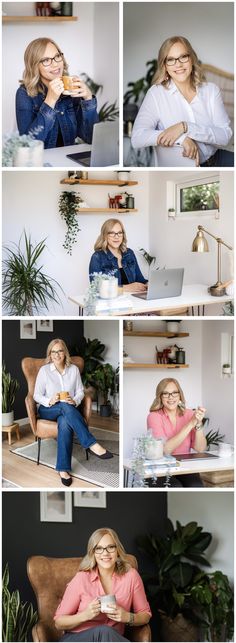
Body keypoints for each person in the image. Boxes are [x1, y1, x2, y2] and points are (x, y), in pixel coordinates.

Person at [131, 36, 233, 167]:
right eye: (171, 60)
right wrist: (181, 139)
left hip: (216, 159)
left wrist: (185, 127)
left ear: (191, 59)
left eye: (183, 57)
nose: (178, 64)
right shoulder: (156, 94)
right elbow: (138, 137)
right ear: (165, 65)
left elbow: (225, 135)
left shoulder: (211, 91)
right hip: (181, 167)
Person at [33, 339, 113, 486]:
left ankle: (63, 469)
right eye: (53, 351)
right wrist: (50, 400)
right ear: (50, 354)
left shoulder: (73, 370)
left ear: (65, 353)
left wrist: (74, 401)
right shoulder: (44, 371)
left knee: (64, 422)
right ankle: (90, 443)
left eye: (60, 351)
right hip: (48, 409)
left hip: (68, 409)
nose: (57, 354)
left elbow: (80, 392)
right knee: (63, 407)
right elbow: (36, 395)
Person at [54, 527, 152, 642]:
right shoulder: (81, 578)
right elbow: (59, 622)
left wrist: (127, 617)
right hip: (77, 638)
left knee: (106, 632)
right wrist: (85, 615)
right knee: (104, 631)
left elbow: (145, 615)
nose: (105, 553)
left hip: (111, 638)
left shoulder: (131, 576)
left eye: (110, 547)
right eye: (99, 548)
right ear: (93, 553)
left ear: (117, 550)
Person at [16, 38, 99, 148]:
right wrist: (50, 101)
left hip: (68, 158)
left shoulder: (70, 89)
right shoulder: (24, 94)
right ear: (34, 65)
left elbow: (91, 138)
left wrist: (88, 99)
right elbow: (27, 145)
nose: (55, 64)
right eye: (46, 60)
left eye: (57, 56)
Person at [147, 378, 207, 487]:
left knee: (196, 486)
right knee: (175, 487)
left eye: (174, 392)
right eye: (166, 393)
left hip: (183, 467)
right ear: (160, 397)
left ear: (180, 395)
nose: (171, 397)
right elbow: (165, 450)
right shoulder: (154, 417)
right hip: (160, 468)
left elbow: (200, 449)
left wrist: (198, 423)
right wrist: (190, 424)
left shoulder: (189, 414)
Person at [89, 219, 148, 293]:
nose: (116, 237)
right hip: (111, 302)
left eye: (120, 233)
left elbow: (140, 280)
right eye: (112, 233)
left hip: (133, 300)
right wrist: (125, 288)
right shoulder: (97, 257)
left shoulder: (129, 253)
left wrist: (149, 284)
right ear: (105, 235)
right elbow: (96, 288)